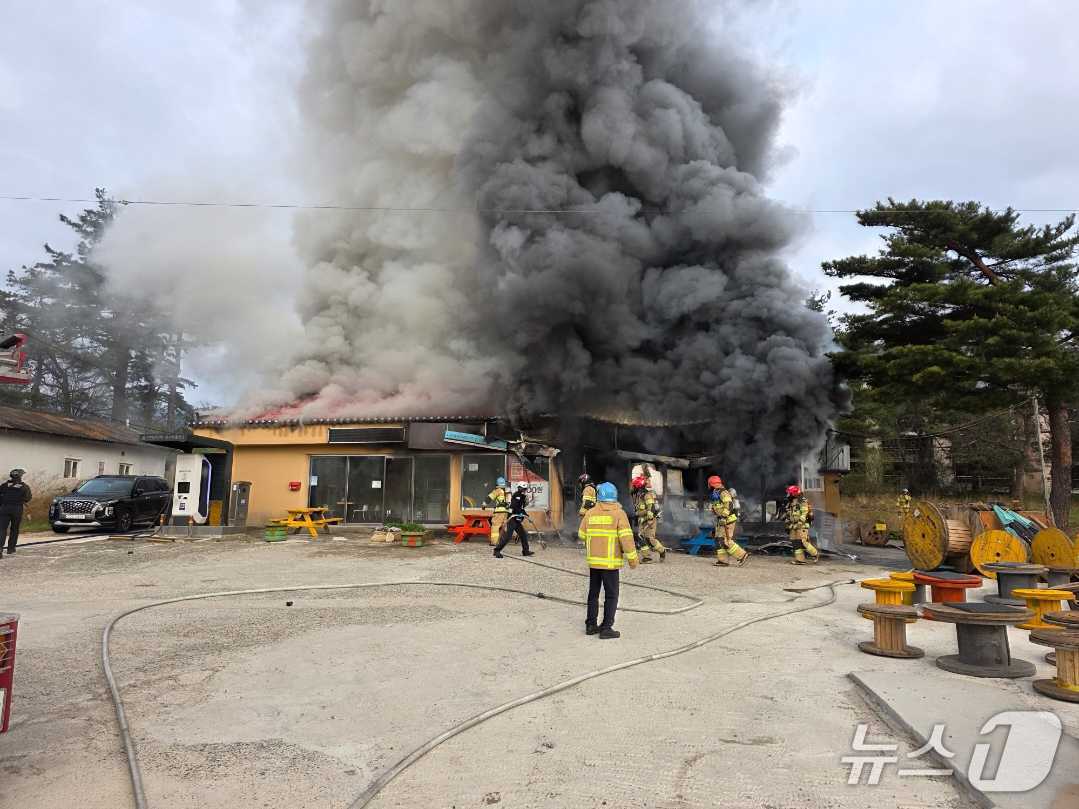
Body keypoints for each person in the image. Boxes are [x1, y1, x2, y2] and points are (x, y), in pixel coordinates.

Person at [578, 482, 638, 639]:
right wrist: (632, 559)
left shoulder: (590, 513)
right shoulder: (619, 514)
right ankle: (606, 628)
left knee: (593, 594)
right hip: (610, 564)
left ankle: (591, 625)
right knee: (611, 596)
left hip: (594, 563)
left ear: (599, 496)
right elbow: (626, 539)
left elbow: (581, 535)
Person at [708, 475, 749, 566]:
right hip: (721, 520)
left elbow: (729, 505)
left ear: (711, 484)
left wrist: (723, 517)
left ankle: (742, 555)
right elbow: (718, 506)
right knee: (719, 540)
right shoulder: (716, 493)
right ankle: (723, 561)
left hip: (727, 520)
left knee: (725, 540)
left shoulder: (723, 492)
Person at [631, 475, 667, 563]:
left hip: (649, 520)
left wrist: (650, 520)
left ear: (638, 486)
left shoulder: (647, 495)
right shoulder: (638, 495)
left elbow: (651, 508)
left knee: (649, 539)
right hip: (642, 520)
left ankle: (662, 551)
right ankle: (647, 557)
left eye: (634, 485)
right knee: (640, 538)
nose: (633, 487)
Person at [494, 483, 534, 558]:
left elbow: (521, 508)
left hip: (517, 519)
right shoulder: (517, 496)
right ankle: (497, 551)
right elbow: (514, 507)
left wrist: (526, 516)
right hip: (512, 519)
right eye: (523, 489)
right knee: (508, 536)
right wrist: (520, 513)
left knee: (523, 535)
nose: (524, 490)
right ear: (520, 488)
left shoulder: (522, 496)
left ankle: (526, 551)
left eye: (525, 489)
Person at [0, 468, 32, 557]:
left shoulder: (4, 485)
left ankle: (0, 549)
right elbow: (28, 498)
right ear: (20, 476)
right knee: (14, 529)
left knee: (2, 529)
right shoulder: (24, 487)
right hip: (17, 509)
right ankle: (11, 549)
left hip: (4, 509)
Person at [784, 484, 818, 564]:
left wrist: (799, 523)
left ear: (794, 493)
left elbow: (804, 513)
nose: (788, 495)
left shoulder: (803, 501)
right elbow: (789, 514)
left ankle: (815, 554)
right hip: (793, 526)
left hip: (802, 525)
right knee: (795, 543)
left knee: (803, 542)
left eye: (790, 493)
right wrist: (787, 525)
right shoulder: (791, 502)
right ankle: (800, 560)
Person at [484, 476, 510, 546]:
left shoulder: (497, 490)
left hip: (499, 511)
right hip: (506, 511)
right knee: (504, 526)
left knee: (495, 526)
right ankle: (504, 540)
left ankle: (494, 542)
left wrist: (484, 505)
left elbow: (489, 498)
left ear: (497, 484)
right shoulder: (507, 491)